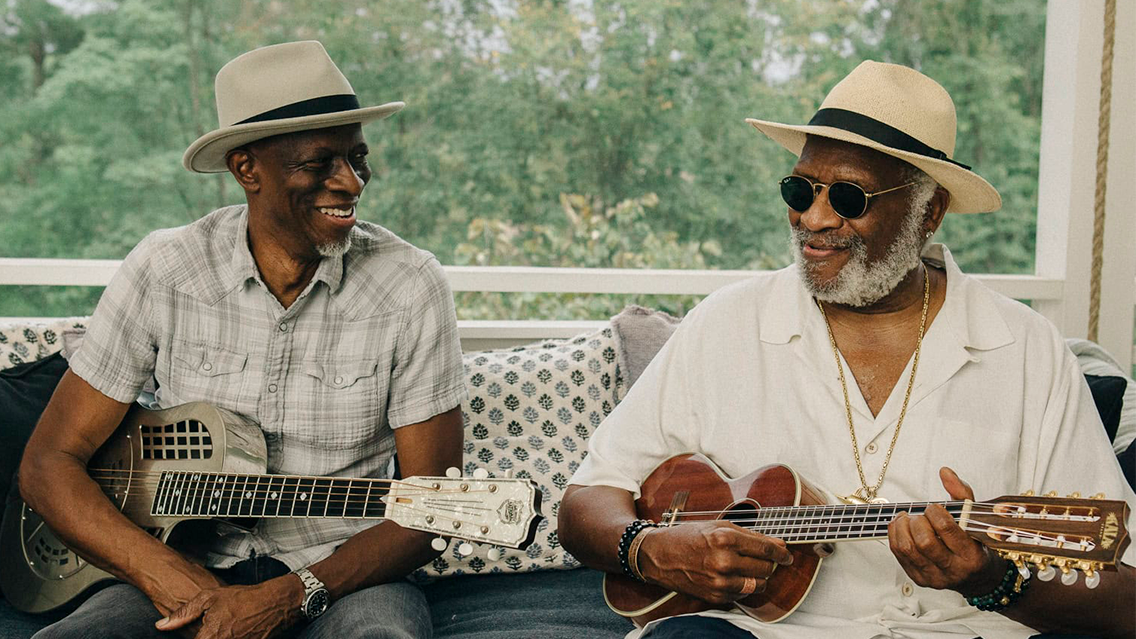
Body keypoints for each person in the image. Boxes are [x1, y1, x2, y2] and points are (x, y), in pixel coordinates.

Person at [559, 61, 1136, 639]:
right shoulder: (724, 324)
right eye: (799, 190)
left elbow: (1124, 598)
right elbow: (585, 502)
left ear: (929, 211)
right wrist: (649, 549)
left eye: (849, 197)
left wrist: (993, 580)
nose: (812, 218)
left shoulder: (1027, 350)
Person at [19, 41, 466, 639]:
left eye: (358, 159)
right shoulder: (166, 268)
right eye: (320, 163)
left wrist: (289, 596)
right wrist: (169, 576)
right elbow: (49, 463)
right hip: (183, 565)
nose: (351, 183)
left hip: (345, 574)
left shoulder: (411, 285)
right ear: (247, 170)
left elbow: (432, 509)